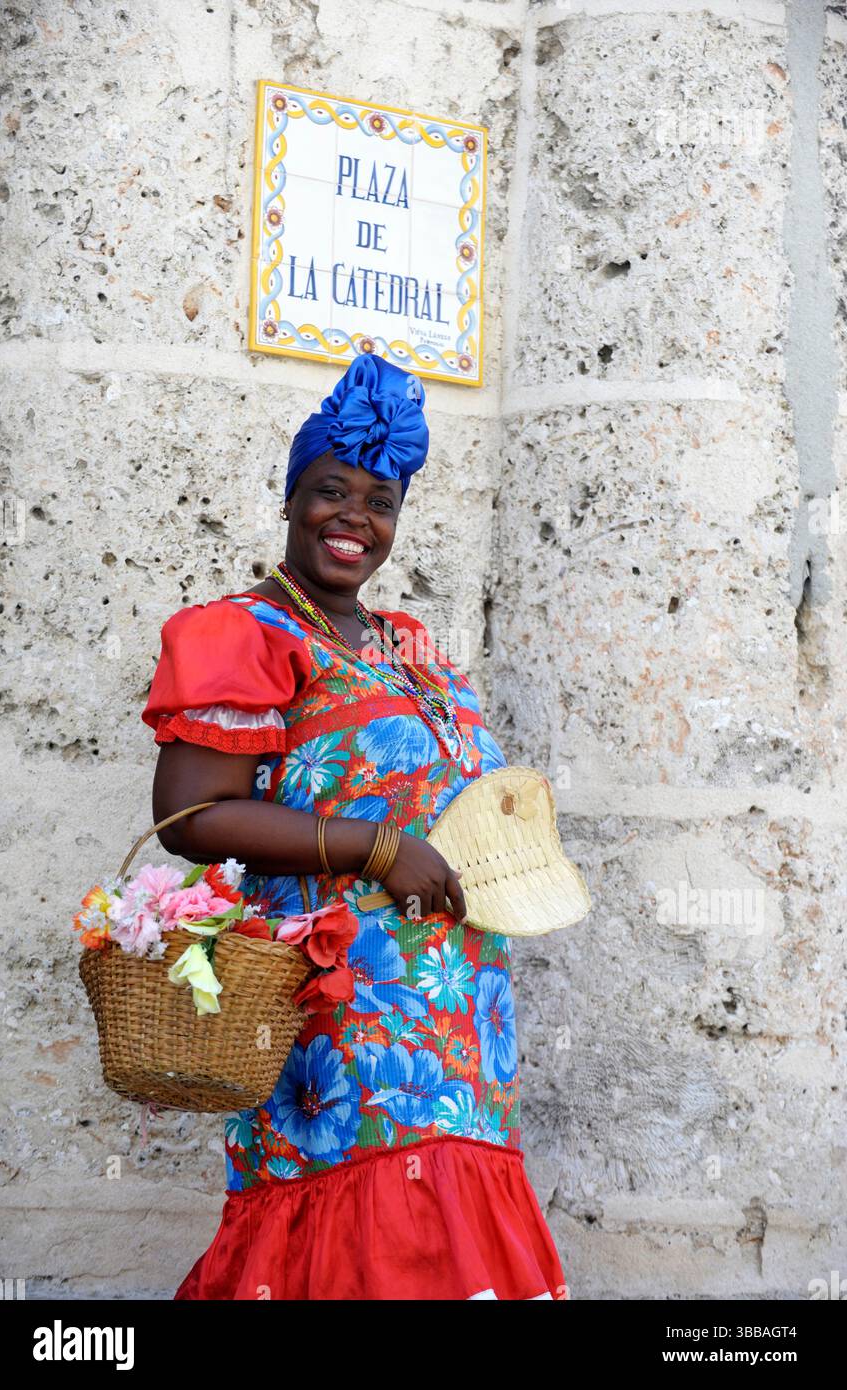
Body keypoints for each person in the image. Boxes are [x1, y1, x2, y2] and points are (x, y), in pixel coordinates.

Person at [141, 351, 568, 1301]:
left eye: (380, 501)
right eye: (331, 490)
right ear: (292, 499)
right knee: (354, 1210)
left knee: (450, 1221)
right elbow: (189, 815)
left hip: (458, 1010)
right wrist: (377, 849)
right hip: (338, 1002)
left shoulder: (409, 648)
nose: (355, 519)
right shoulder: (248, 633)